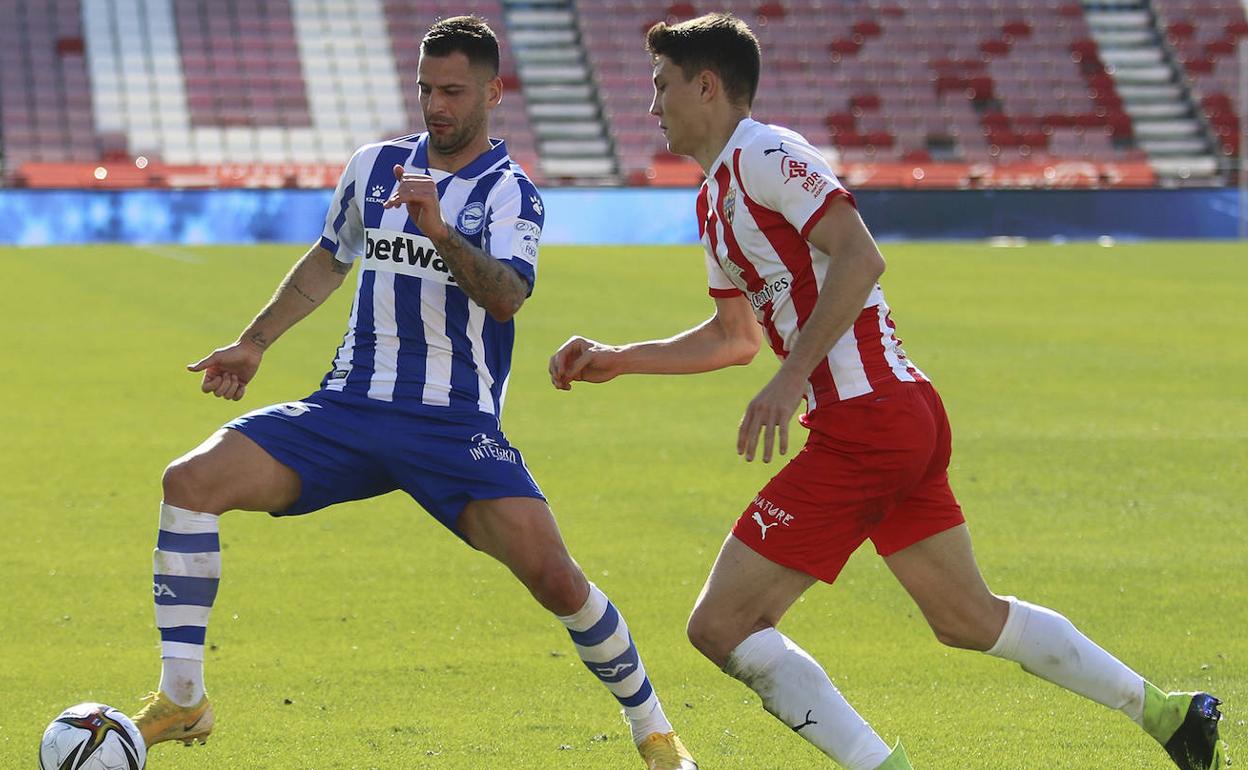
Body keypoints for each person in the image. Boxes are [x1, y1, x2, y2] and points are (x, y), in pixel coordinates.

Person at [548, 13, 1229, 770]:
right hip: (895, 418)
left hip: (867, 420)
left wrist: (792, 378)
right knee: (967, 617)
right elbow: (734, 337)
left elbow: (860, 256)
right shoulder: (713, 199)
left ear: (706, 86)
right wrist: (622, 359)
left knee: (722, 624)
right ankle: (1172, 715)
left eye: (662, 86)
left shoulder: (766, 153)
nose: (651, 106)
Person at [131, 16, 696, 770]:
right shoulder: (375, 166)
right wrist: (254, 342)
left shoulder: (511, 194)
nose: (436, 105)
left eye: (453, 91)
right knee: (189, 482)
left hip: (452, 424)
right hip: (348, 407)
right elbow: (329, 259)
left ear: (493, 93)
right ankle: (183, 698)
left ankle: (655, 732)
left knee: (557, 579)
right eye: (426, 87)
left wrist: (440, 229)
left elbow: (507, 298)